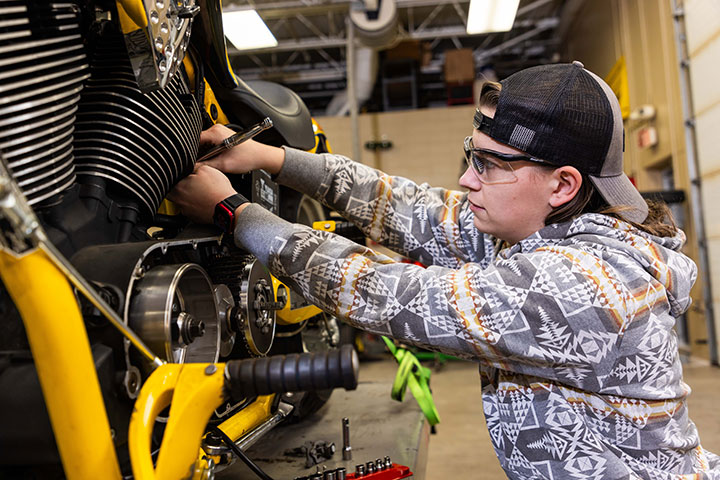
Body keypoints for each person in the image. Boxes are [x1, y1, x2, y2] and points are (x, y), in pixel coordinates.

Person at [169, 61, 720, 479]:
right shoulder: (542, 230)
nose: (467, 181)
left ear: (563, 184)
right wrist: (272, 160)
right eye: (471, 155)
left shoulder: (583, 284)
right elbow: (408, 206)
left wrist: (237, 215)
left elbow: (388, 295)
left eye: (490, 165)